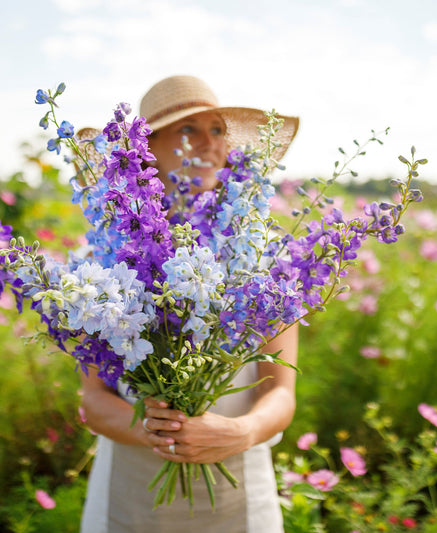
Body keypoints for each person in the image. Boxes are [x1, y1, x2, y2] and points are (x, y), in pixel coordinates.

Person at [80, 75, 300, 533]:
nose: (208, 144)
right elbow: (93, 401)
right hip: (132, 487)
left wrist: (237, 432)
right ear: (146, 149)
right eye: (187, 129)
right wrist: (155, 431)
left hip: (239, 481)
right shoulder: (104, 260)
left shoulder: (261, 253)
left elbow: (280, 391)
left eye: (217, 130)